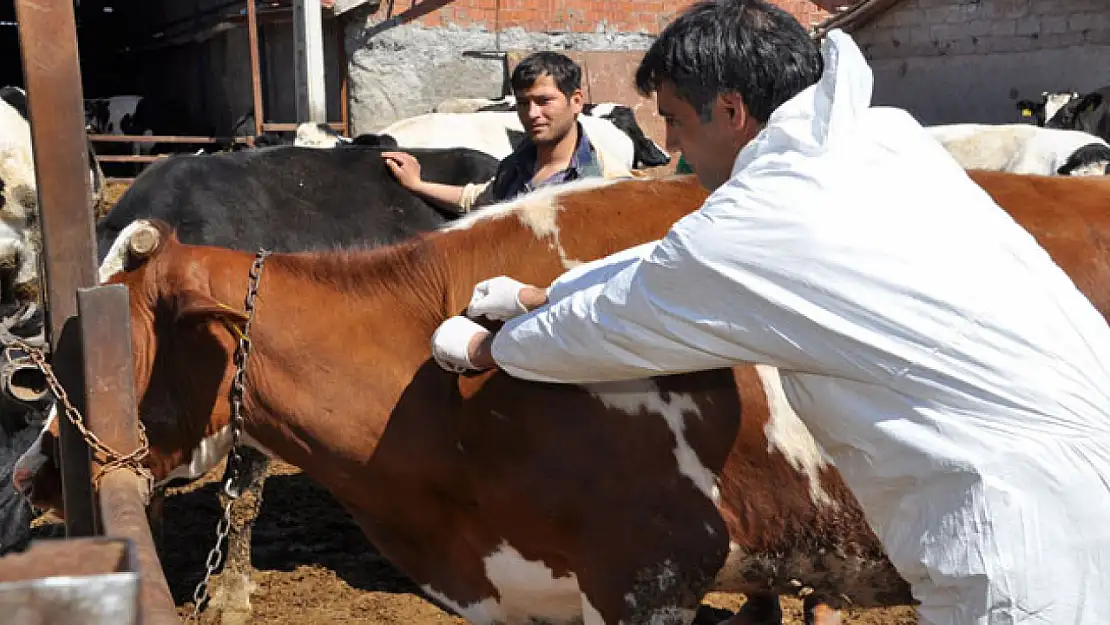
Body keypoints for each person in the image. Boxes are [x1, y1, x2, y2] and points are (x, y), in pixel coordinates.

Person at [427, 1, 1110, 624]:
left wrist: (495, 349)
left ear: (730, 111)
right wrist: (546, 295)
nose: (668, 143)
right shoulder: (874, 140)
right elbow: (683, 258)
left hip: (1022, 544)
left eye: (674, 118)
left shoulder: (768, 219)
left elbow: (627, 319)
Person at [382, 51, 631, 214]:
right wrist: (417, 184)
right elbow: (476, 200)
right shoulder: (516, 167)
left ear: (576, 101)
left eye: (544, 101)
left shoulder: (608, 184)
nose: (532, 113)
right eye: (523, 103)